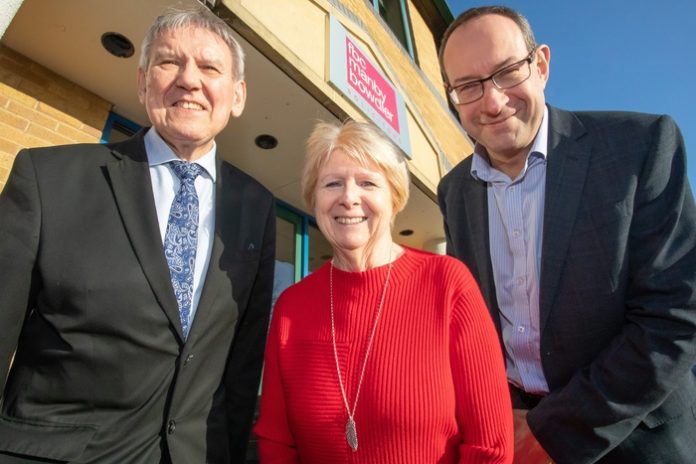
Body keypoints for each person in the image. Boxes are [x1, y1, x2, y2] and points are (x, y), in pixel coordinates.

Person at [0, 6, 275, 463]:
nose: (189, 80)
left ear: (237, 95)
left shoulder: (257, 207)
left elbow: (243, 358)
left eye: (210, 68)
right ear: (143, 82)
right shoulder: (47, 178)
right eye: (170, 62)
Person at [437, 5, 696, 464]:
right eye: (469, 86)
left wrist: (551, 433)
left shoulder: (641, 147)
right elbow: (472, 326)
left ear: (540, 65)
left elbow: (674, 317)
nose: (492, 102)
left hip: (636, 441)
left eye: (507, 72)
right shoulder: (453, 191)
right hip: (513, 431)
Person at [254, 119, 513, 463]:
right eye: (332, 183)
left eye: (367, 183)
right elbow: (276, 442)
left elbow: (490, 446)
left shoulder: (448, 284)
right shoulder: (291, 307)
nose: (349, 198)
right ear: (314, 199)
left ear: (394, 198)